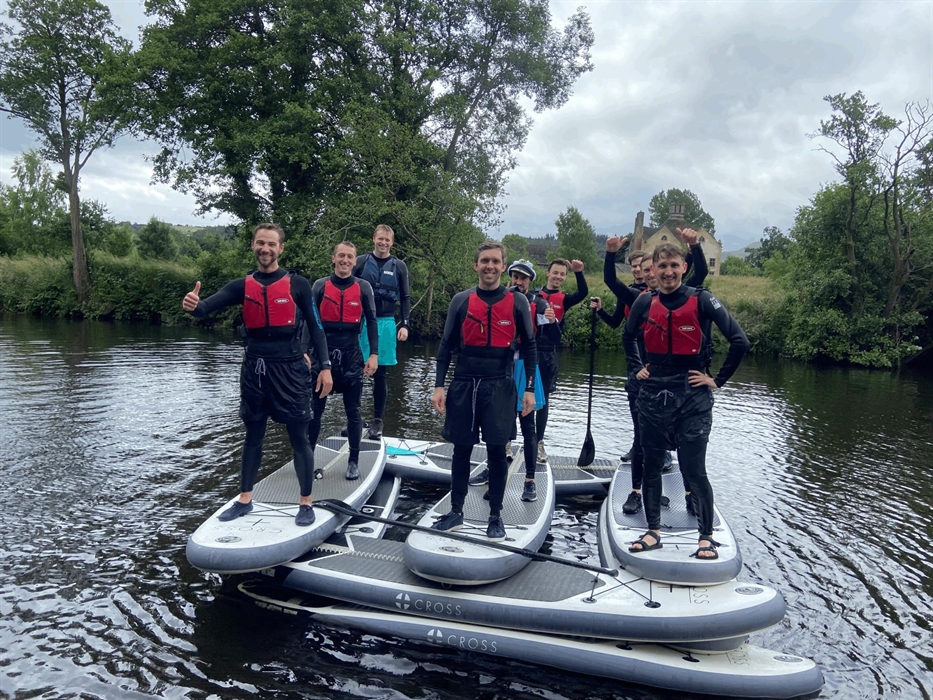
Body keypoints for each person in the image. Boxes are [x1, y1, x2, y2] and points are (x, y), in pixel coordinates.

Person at [182, 223, 333, 527]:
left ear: (281, 249)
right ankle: (244, 499)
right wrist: (193, 306)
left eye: (271, 244)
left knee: (299, 438)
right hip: (255, 369)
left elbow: (316, 327)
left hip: (290, 368)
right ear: (253, 245)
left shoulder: (298, 284)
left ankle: (305, 502)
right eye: (260, 243)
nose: (265, 249)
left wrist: (325, 367)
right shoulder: (241, 285)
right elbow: (205, 308)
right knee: (253, 435)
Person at [623, 243, 749, 560]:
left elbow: (740, 341)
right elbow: (628, 337)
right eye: (661, 266)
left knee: (694, 470)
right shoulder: (643, 302)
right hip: (653, 395)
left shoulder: (702, 299)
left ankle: (705, 537)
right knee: (651, 466)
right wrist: (638, 369)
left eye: (674, 265)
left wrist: (716, 380)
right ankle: (653, 531)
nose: (667, 272)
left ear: (684, 267)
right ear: (653, 268)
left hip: (692, 396)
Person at [431, 241, 537, 541]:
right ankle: (456, 511)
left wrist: (528, 388)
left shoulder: (517, 303)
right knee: (461, 449)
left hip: (500, 384)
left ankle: (495, 516)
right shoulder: (461, 300)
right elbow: (446, 347)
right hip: (465, 383)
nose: (489, 266)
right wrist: (439, 385)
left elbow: (529, 346)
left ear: (503, 267)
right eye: (484, 261)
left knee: (496, 451)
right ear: (476, 265)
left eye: (495, 261)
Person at [604, 229, 708, 467]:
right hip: (640, 367)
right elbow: (611, 281)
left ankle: (666, 454)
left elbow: (699, 272)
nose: (651, 273)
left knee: (668, 420)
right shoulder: (637, 298)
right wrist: (611, 254)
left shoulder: (684, 294)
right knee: (638, 414)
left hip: (670, 373)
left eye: (654, 267)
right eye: (648, 269)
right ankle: (639, 450)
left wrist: (693, 246)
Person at [469, 259, 553, 502]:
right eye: (515, 276)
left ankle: (530, 480)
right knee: (497, 426)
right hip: (501, 366)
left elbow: (551, 338)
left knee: (528, 428)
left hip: (525, 366)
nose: (519, 281)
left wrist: (552, 320)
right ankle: (493, 472)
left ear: (530, 281)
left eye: (524, 278)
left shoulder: (538, 304)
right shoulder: (503, 298)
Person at [307, 242, 379, 480]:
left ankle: (353, 461)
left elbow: (372, 322)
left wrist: (374, 354)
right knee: (315, 411)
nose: (345, 260)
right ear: (333, 258)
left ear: (354, 261)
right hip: (323, 355)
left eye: (349, 257)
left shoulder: (363, 287)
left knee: (354, 412)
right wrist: (305, 352)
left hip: (351, 356)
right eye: (341, 256)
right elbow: (308, 321)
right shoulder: (319, 286)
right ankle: (307, 458)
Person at [353, 224, 411, 439]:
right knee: (356, 372)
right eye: (380, 239)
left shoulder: (399, 266)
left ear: (392, 242)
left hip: (386, 323)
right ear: (374, 239)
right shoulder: (360, 262)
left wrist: (405, 324)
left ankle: (378, 421)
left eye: (387, 240)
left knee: (381, 375)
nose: (383, 243)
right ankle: (355, 418)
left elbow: (405, 297)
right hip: (361, 322)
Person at [533, 258, 588, 462]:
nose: (558, 277)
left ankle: (539, 443)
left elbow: (582, 293)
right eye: (555, 272)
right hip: (530, 351)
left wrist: (579, 272)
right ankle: (508, 442)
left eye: (562, 274)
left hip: (549, 353)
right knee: (519, 396)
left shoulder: (564, 298)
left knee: (543, 401)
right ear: (547, 273)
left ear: (564, 278)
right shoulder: (535, 295)